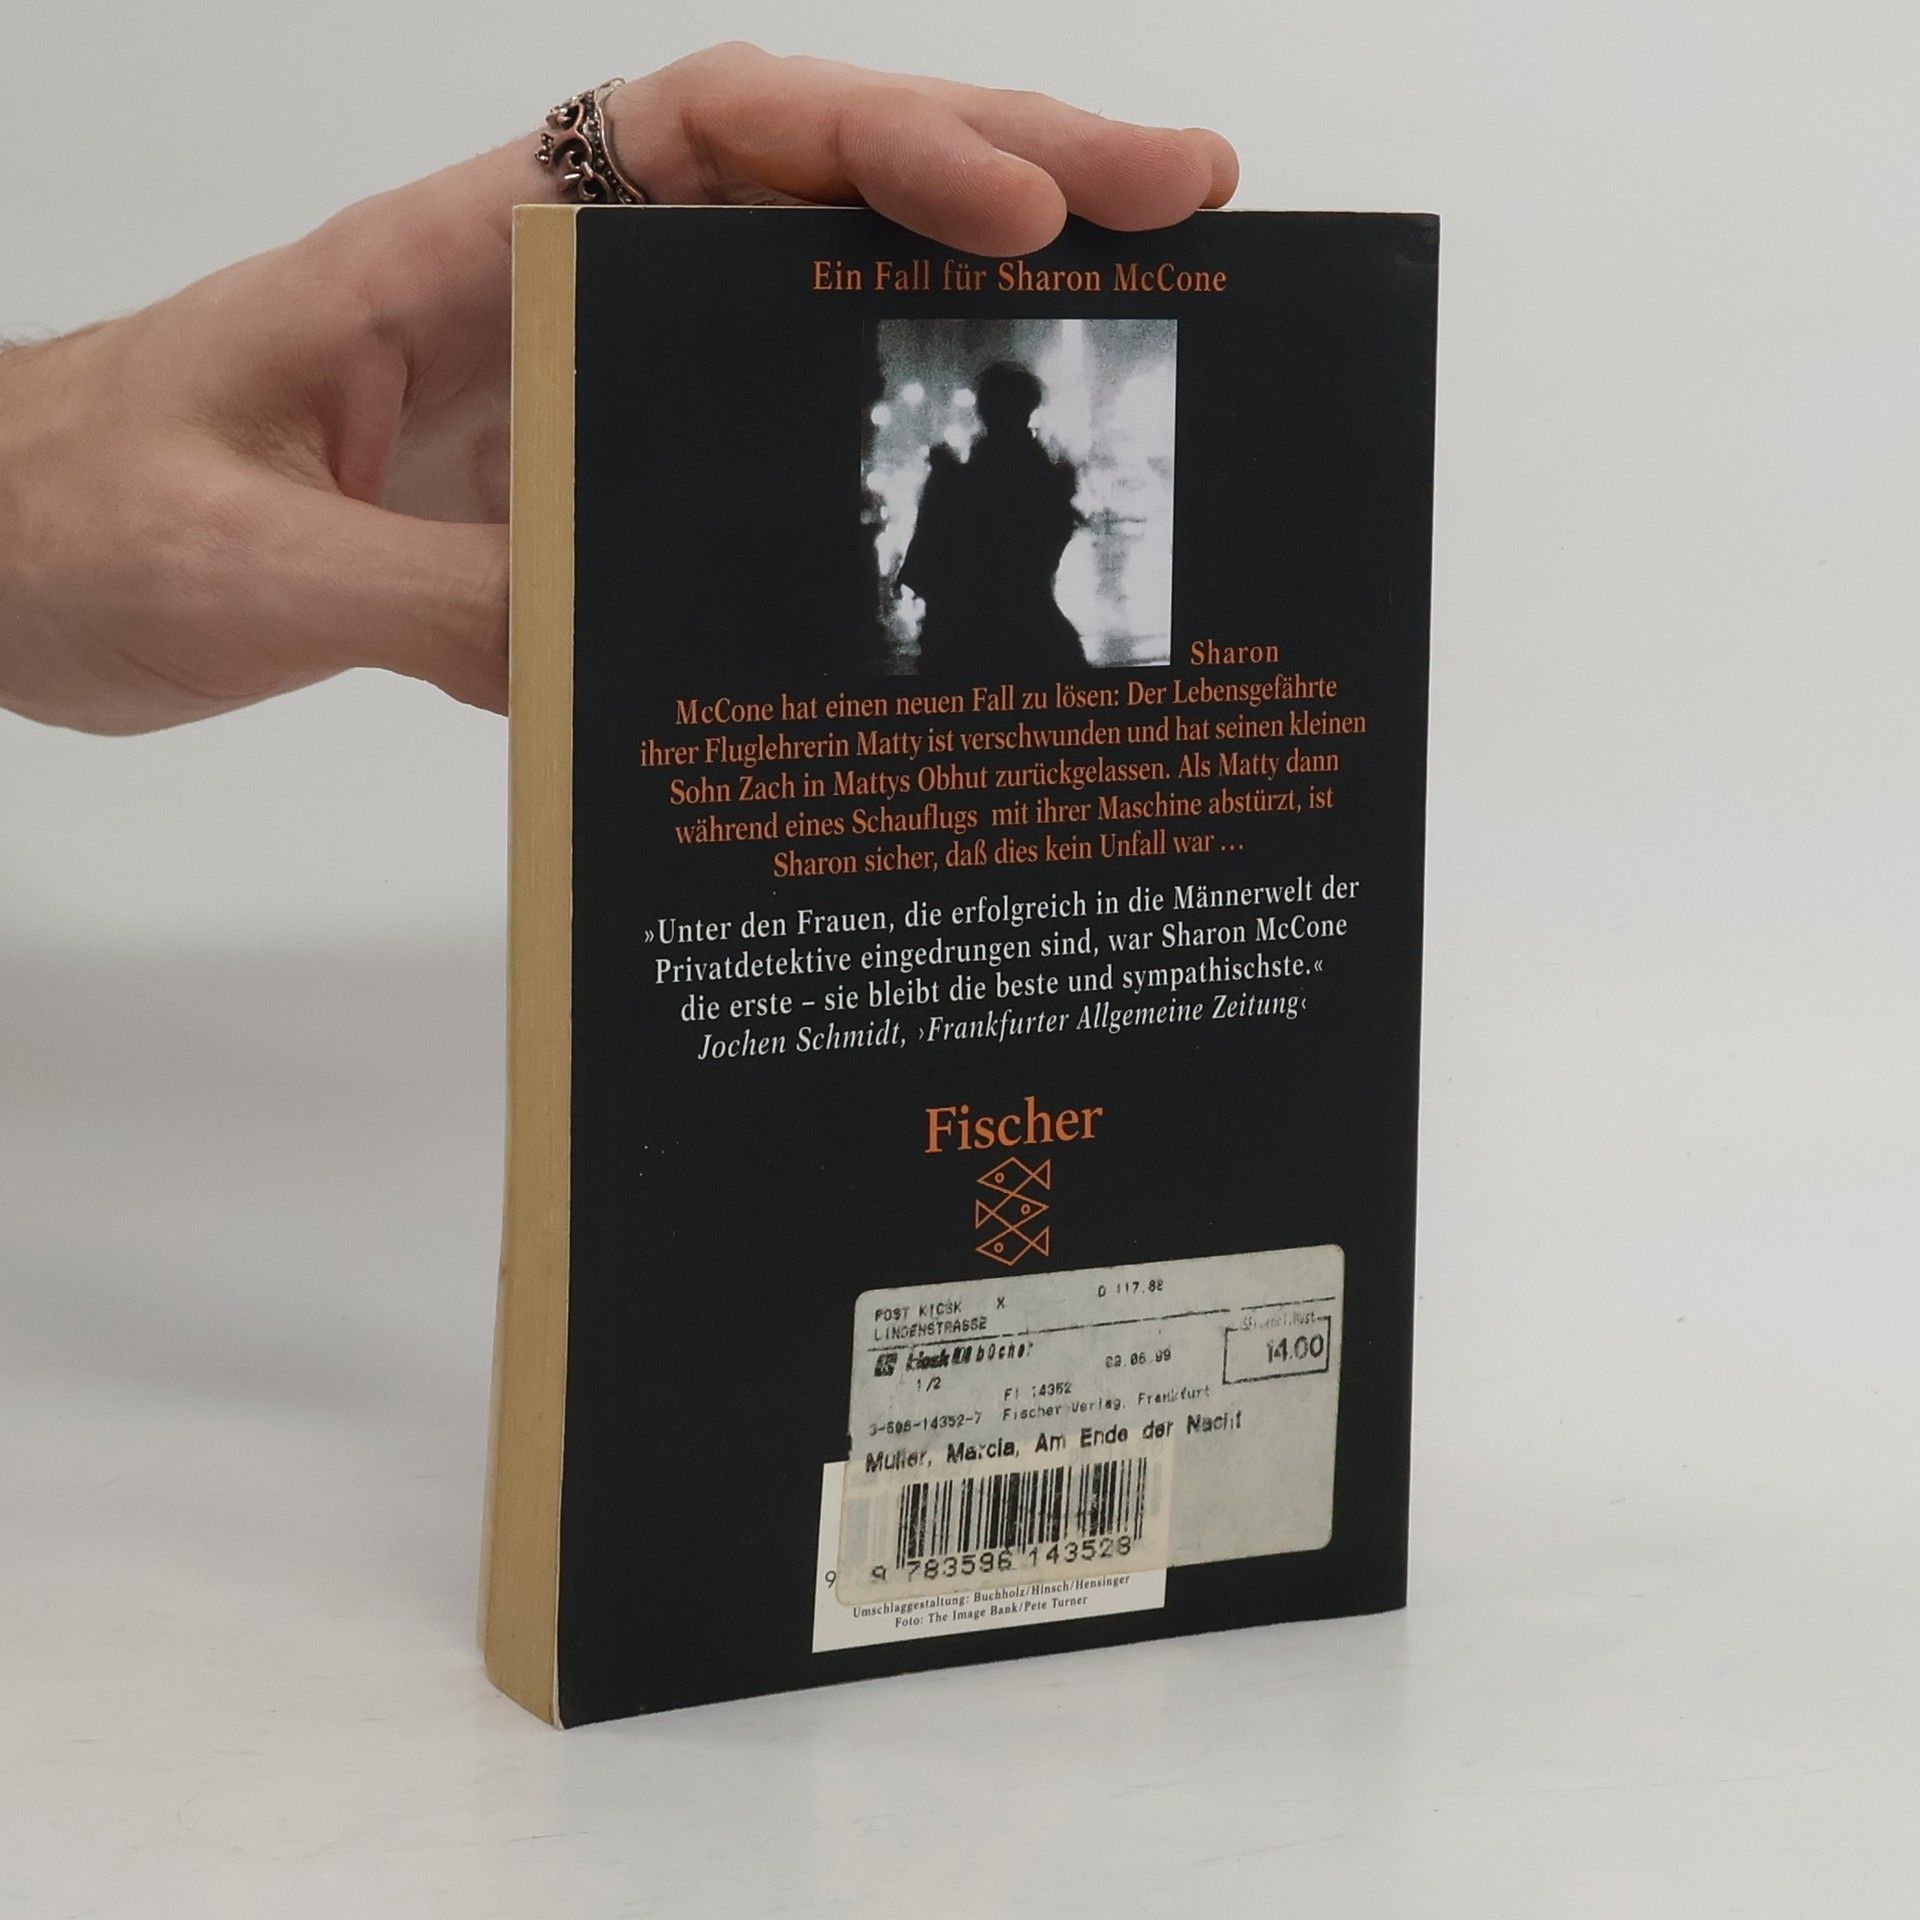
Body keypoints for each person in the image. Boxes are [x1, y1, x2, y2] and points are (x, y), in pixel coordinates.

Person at [0, 44, 1236, 736]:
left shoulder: (970, 471)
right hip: (1025, 652)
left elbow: (929, 562)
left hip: (970, 651)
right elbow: (1000, 547)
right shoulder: (1030, 475)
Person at [899, 361, 1087, 677]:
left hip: (972, 637)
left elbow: (927, 566)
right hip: (1032, 633)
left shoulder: (960, 483)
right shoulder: (1045, 479)